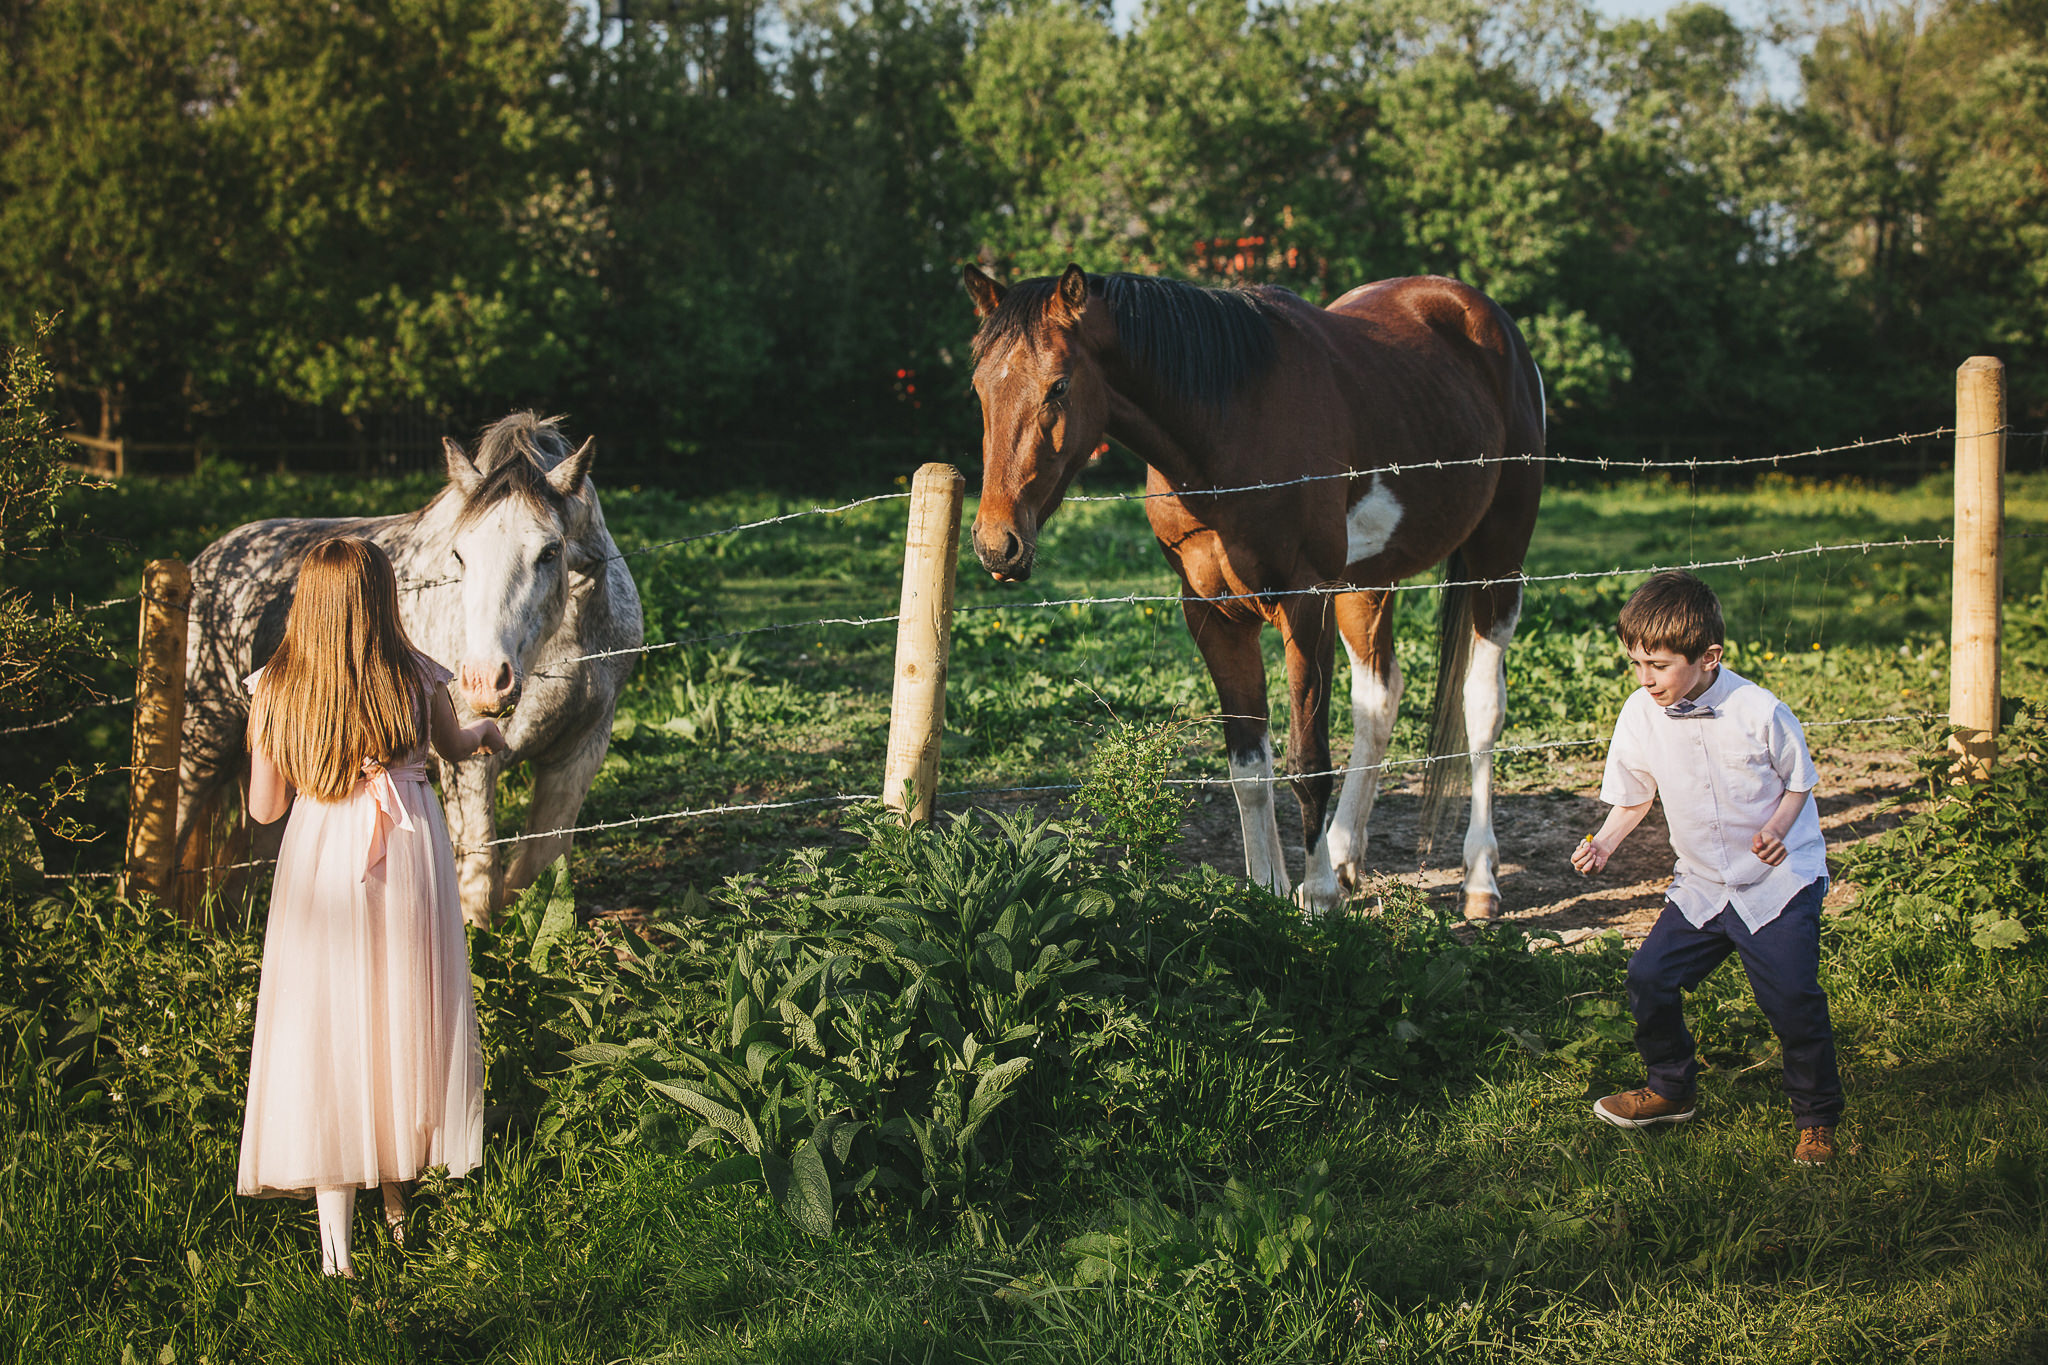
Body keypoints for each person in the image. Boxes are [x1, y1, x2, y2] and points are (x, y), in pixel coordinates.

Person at [236, 536, 505, 1277]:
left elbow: (264, 809)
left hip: (322, 862)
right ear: (383, 600)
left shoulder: (276, 687)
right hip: (408, 852)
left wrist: (275, 745)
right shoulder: (415, 675)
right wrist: (485, 730)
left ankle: (337, 1253)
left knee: (328, 1028)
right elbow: (455, 744)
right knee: (402, 1016)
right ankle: (398, 1211)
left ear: (307, 604)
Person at [1569, 570, 1841, 1166]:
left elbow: (1800, 781)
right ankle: (1671, 1088)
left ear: (1708, 657)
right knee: (1649, 978)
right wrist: (1606, 843)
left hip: (1777, 881)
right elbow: (1634, 795)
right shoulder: (1640, 713)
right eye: (1636, 664)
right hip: (1703, 884)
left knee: (1792, 999)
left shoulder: (1759, 710)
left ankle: (1816, 1118)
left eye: (1658, 666)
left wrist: (1777, 829)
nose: (1645, 679)